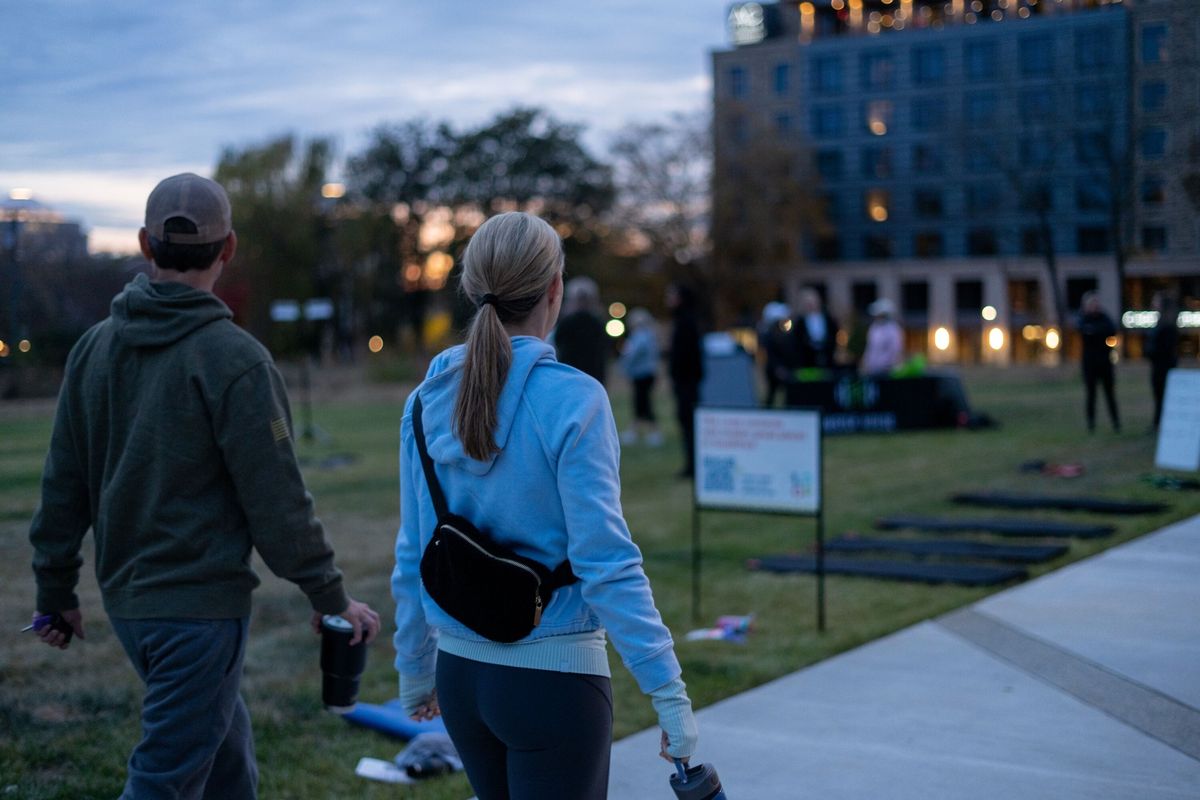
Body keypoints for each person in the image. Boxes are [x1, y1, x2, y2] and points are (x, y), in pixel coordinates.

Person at [27, 173, 381, 800]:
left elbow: (63, 484)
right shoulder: (235, 359)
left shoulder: (92, 348)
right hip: (197, 615)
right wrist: (330, 599)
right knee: (165, 780)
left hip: (133, 608)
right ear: (229, 249)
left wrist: (56, 588)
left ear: (144, 243)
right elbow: (278, 502)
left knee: (225, 764)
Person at [391, 212, 698, 800]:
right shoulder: (575, 400)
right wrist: (669, 694)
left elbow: (413, 551)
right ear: (555, 290)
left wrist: (414, 668)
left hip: (460, 679)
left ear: (471, 288)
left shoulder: (422, 401)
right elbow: (605, 562)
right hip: (554, 683)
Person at [667, 282, 704, 479]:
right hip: (685, 381)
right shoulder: (683, 321)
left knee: (689, 424)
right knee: (687, 423)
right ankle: (691, 464)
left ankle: (693, 466)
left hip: (687, 382)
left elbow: (689, 356)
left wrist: (682, 377)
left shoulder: (686, 322)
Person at [1077, 290, 1121, 433]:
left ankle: (1116, 422)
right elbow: (1083, 331)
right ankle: (1091, 424)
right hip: (1090, 364)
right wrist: (1096, 332)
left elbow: (1111, 330)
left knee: (1110, 394)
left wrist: (1094, 332)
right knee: (1091, 395)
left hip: (1105, 363)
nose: (1094, 306)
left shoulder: (1104, 318)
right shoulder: (1084, 319)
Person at [619, 307, 664, 446]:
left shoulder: (640, 336)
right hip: (647, 373)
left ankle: (653, 433)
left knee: (643, 403)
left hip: (641, 374)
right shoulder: (650, 335)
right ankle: (636, 431)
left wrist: (623, 366)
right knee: (641, 403)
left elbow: (632, 354)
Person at [552, 275, 608, 386]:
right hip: (593, 375)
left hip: (571, 373)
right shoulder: (597, 322)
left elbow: (557, 342)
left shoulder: (567, 322)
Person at [1145, 290, 1179, 430]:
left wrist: (1152, 351)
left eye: (1156, 300)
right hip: (1158, 366)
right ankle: (1157, 422)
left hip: (1163, 367)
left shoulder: (1167, 325)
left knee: (1163, 396)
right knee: (1159, 396)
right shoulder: (1161, 323)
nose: (1153, 303)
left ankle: (1161, 423)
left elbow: (1165, 348)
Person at [791, 287, 838, 369]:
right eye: (808, 302)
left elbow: (834, 333)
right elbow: (797, 339)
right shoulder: (800, 321)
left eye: (813, 302)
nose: (811, 305)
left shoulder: (827, 318)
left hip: (827, 356)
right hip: (808, 358)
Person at [758, 301, 793, 407]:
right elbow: (769, 353)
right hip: (773, 369)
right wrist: (777, 368)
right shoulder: (769, 335)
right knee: (772, 394)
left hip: (785, 367)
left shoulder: (787, 335)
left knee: (788, 395)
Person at [861, 298, 904, 375]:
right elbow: (870, 348)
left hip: (886, 370)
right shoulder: (874, 328)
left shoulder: (893, 329)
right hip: (872, 369)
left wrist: (889, 364)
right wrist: (866, 362)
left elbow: (895, 349)